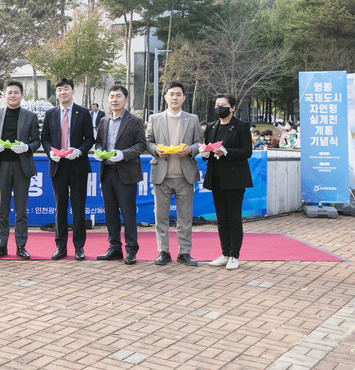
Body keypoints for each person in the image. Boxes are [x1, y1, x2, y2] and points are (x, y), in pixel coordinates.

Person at [145, 81, 202, 267]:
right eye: (171, 94)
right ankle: (163, 251)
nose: (175, 97)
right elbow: (147, 142)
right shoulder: (155, 119)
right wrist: (155, 150)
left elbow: (199, 142)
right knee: (160, 216)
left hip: (185, 176)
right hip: (161, 175)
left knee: (185, 217)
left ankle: (184, 252)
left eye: (178, 94)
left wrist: (190, 149)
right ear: (165, 97)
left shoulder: (192, 119)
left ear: (184, 97)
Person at [0, 80, 41, 259]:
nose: (13, 95)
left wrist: (27, 147)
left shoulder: (30, 116)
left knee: (21, 211)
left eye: (16, 92)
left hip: (22, 167)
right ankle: (1, 246)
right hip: (2, 165)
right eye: (9, 92)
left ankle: (21, 246)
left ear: (22, 95)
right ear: (4, 95)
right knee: (2, 210)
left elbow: (37, 141)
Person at [41, 78, 94, 260]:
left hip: (77, 165)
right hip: (58, 165)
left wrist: (79, 151)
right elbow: (45, 138)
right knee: (60, 207)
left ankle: (79, 247)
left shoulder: (83, 112)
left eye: (66, 89)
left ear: (73, 91)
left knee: (78, 208)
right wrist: (50, 152)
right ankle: (60, 246)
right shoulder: (50, 113)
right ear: (56, 93)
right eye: (59, 90)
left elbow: (90, 139)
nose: (63, 92)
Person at [94, 86, 146, 265]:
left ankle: (131, 249)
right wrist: (98, 151)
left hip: (126, 173)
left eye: (118, 96)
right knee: (110, 213)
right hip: (107, 172)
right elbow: (98, 142)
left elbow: (141, 145)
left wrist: (123, 154)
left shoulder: (135, 121)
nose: (114, 100)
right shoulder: (103, 120)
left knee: (128, 213)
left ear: (126, 100)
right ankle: (114, 248)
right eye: (111, 96)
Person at [202, 94, 253, 270]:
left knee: (234, 218)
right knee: (221, 218)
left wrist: (226, 152)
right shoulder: (211, 127)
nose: (219, 108)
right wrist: (205, 153)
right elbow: (208, 149)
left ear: (232, 107)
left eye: (223, 105)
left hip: (235, 178)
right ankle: (224, 253)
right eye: (216, 105)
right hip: (216, 177)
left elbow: (247, 151)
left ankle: (234, 255)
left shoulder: (241, 126)